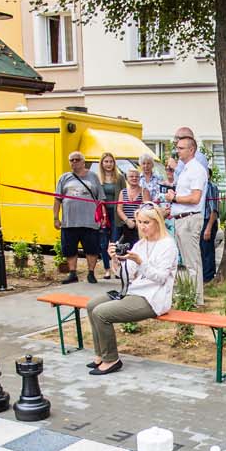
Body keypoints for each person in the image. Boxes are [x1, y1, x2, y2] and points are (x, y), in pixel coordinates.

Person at [83, 206, 179, 375]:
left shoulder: (168, 245)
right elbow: (126, 275)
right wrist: (115, 259)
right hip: (133, 292)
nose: (142, 226)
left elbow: (161, 278)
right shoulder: (140, 244)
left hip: (153, 298)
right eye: (139, 222)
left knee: (101, 313)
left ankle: (111, 359)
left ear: (157, 222)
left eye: (146, 222)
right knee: (92, 305)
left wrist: (140, 262)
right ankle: (100, 355)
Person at [168, 132, 208, 305]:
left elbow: (195, 198)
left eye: (181, 148)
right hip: (181, 218)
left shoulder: (196, 170)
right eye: (177, 148)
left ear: (191, 150)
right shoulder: (185, 169)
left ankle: (197, 300)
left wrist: (174, 198)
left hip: (190, 220)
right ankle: (190, 295)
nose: (178, 151)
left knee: (192, 262)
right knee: (186, 262)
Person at [53, 151, 101, 284]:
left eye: (77, 159)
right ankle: (72, 273)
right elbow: (57, 199)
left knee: (92, 248)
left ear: (83, 162)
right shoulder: (64, 178)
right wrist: (56, 218)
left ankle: (91, 273)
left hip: (89, 221)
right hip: (69, 221)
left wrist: (101, 216)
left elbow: (100, 199)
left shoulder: (93, 177)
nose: (74, 162)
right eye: (72, 160)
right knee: (69, 249)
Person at [95, 152, 126, 271]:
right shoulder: (97, 178)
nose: (109, 164)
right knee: (103, 242)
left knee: (115, 241)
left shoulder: (120, 178)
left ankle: (115, 267)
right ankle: (106, 269)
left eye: (111, 161)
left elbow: (124, 194)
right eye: (106, 161)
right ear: (102, 163)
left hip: (116, 214)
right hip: (103, 214)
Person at [117, 167, 150, 250]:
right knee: (126, 250)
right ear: (127, 178)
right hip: (126, 226)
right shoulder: (123, 192)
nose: (134, 178)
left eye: (136, 176)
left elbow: (147, 209)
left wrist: (137, 221)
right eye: (131, 176)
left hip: (140, 226)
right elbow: (119, 209)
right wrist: (127, 220)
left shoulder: (144, 191)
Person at [200, 175, 220, 283]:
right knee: (202, 251)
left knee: (207, 250)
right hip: (200, 221)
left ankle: (208, 278)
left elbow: (214, 210)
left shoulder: (210, 187)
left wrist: (208, 227)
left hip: (208, 221)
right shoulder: (199, 187)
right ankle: (203, 277)